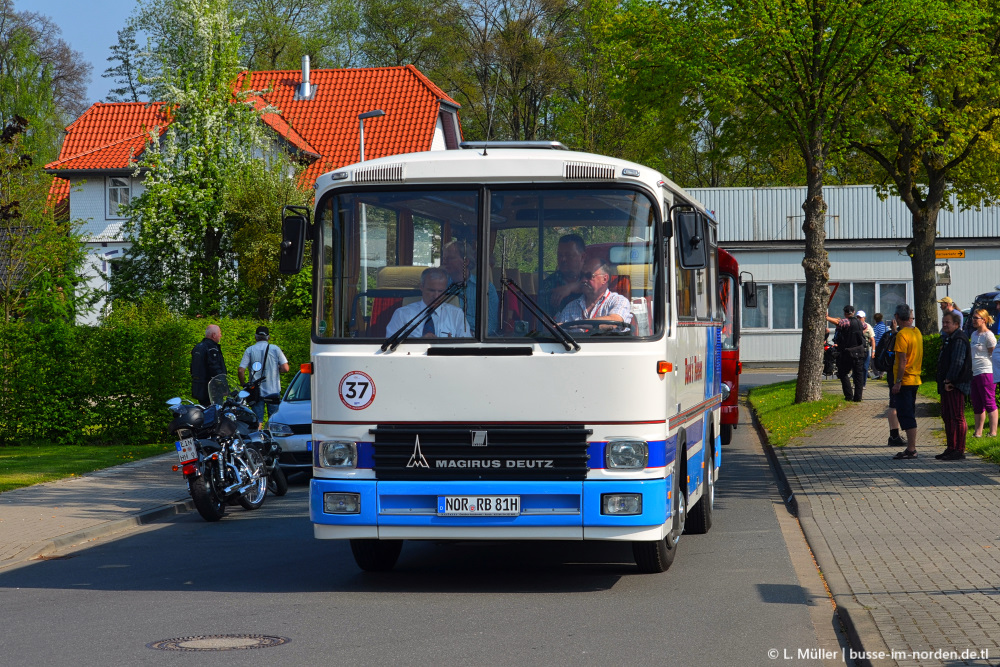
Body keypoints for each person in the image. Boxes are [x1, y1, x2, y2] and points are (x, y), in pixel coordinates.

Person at [386, 267, 471, 339]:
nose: (436, 296)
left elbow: (467, 349)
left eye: (440, 291)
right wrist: (418, 344)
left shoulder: (456, 315)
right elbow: (390, 347)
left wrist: (450, 346)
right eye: (431, 290)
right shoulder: (402, 314)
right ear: (421, 287)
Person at [935, 311, 971, 460]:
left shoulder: (959, 339)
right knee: (947, 415)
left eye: (947, 322)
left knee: (957, 417)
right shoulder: (950, 338)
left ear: (956, 324)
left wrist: (950, 380)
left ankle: (959, 449)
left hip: (956, 384)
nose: (944, 325)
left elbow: (958, 362)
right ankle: (951, 446)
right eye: (943, 322)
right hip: (946, 384)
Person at [441, 240, 499, 334]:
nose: (444, 262)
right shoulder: (440, 287)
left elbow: (491, 325)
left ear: (466, 261)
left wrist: (470, 334)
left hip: (474, 341)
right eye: (444, 258)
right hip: (444, 338)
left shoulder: (486, 288)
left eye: (450, 258)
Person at [557, 257, 633, 325]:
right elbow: (558, 330)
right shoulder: (570, 307)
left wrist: (575, 325)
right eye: (582, 276)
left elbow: (615, 322)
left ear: (605, 279)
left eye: (589, 276)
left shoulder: (618, 301)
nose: (583, 280)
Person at [238, 326, 290, 423]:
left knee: (257, 420)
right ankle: (271, 437)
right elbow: (285, 368)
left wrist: (244, 384)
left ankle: (258, 437)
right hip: (273, 390)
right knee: (274, 420)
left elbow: (241, 370)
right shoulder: (275, 349)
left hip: (256, 392)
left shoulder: (249, 350)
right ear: (268, 337)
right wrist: (276, 369)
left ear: (255, 337)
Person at [891, 303, 923, 459]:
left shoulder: (901, 335)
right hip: (915, 378)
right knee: (909, 412)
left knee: (906, 414)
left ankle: (911, 448)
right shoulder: (916, 332)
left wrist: (898, 381)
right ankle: (912, 447)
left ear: (897, 317)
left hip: (905, 381)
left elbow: (902, 360)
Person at [825, 305, 866, 402]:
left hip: (847, 353)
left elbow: (839, 322)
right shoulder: (861, 323)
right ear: (854, 312)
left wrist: (826, 317)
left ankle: (848, 395)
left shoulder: (846, 322)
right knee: (858, 376)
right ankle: (858, 397)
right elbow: (864, 327)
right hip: (859, 352)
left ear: (845, 313)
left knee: (843, 373)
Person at [539, 234, 586, 315]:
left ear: (582, 257)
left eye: (568, 255)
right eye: (560, 255)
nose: (563, 259)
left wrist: (571, 287)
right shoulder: (548, 285)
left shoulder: (592, 278)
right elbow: (543, 321)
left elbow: (599, 290)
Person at [969, 308, 998, 438]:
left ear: (984, 320)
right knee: (977, 402)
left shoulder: (989, 335)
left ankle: (993, 432)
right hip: (974, 372)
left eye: (976, 318)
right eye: (973, 318)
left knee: (989, 402)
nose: (973, 320)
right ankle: (978, 432)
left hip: (986, 372)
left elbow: (994, 356)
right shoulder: (974, 334)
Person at [191, 324, 226, 407]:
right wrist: (223, 385)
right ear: (214, 335)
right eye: (219, 333)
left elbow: (192, 369)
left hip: (199, 389)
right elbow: (214, 369)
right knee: (215, 412)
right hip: (211, 390)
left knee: (204, 410)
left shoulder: (198, 347)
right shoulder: (211, 348)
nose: (220, 335)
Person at [857, 310, 875, 386]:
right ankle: (856, 383)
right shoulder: (854, 326)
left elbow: (873, 339)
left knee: (865, 367)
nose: (859, 319)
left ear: (864, 318)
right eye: (857, 317)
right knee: (857, 368)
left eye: (860, 317)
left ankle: (863, 384)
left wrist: (873, 351)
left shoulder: (868, 326)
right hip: (856, 350)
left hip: (866, 350)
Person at [871, 313, 887, 380]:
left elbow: (873, 337)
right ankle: (881, 373)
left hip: (877, 345)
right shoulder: (885, 326)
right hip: (884, 345)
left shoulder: (876, 327)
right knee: (882, 359)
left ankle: (876, 374)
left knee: (873, 360)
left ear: (875, 319)